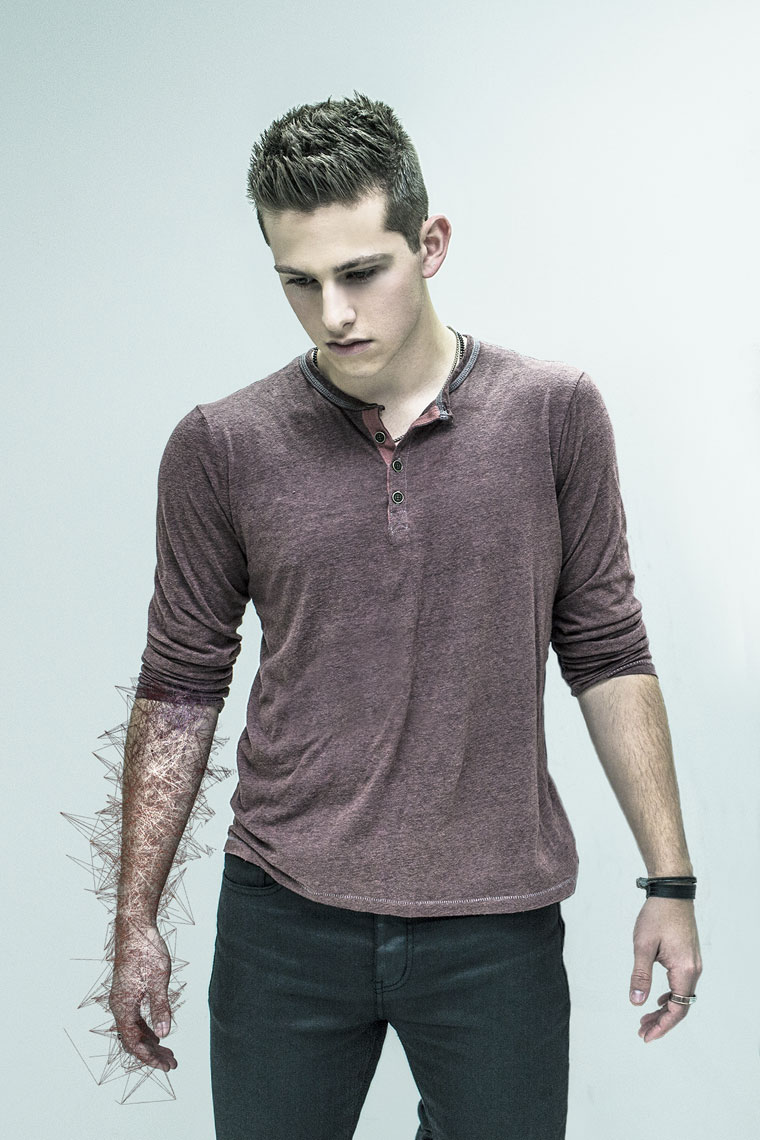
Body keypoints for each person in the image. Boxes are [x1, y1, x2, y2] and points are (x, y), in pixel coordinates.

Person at [108, 91, 702, 1140]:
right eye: (299, 282)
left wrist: (671, 879)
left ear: (430, 245)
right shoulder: (221, 445)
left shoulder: (553, 413)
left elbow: (606, 649)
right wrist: (135, 918)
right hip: (285, 917)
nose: (333, 313)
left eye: (360, 272)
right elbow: (181, 686)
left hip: (495, 922)